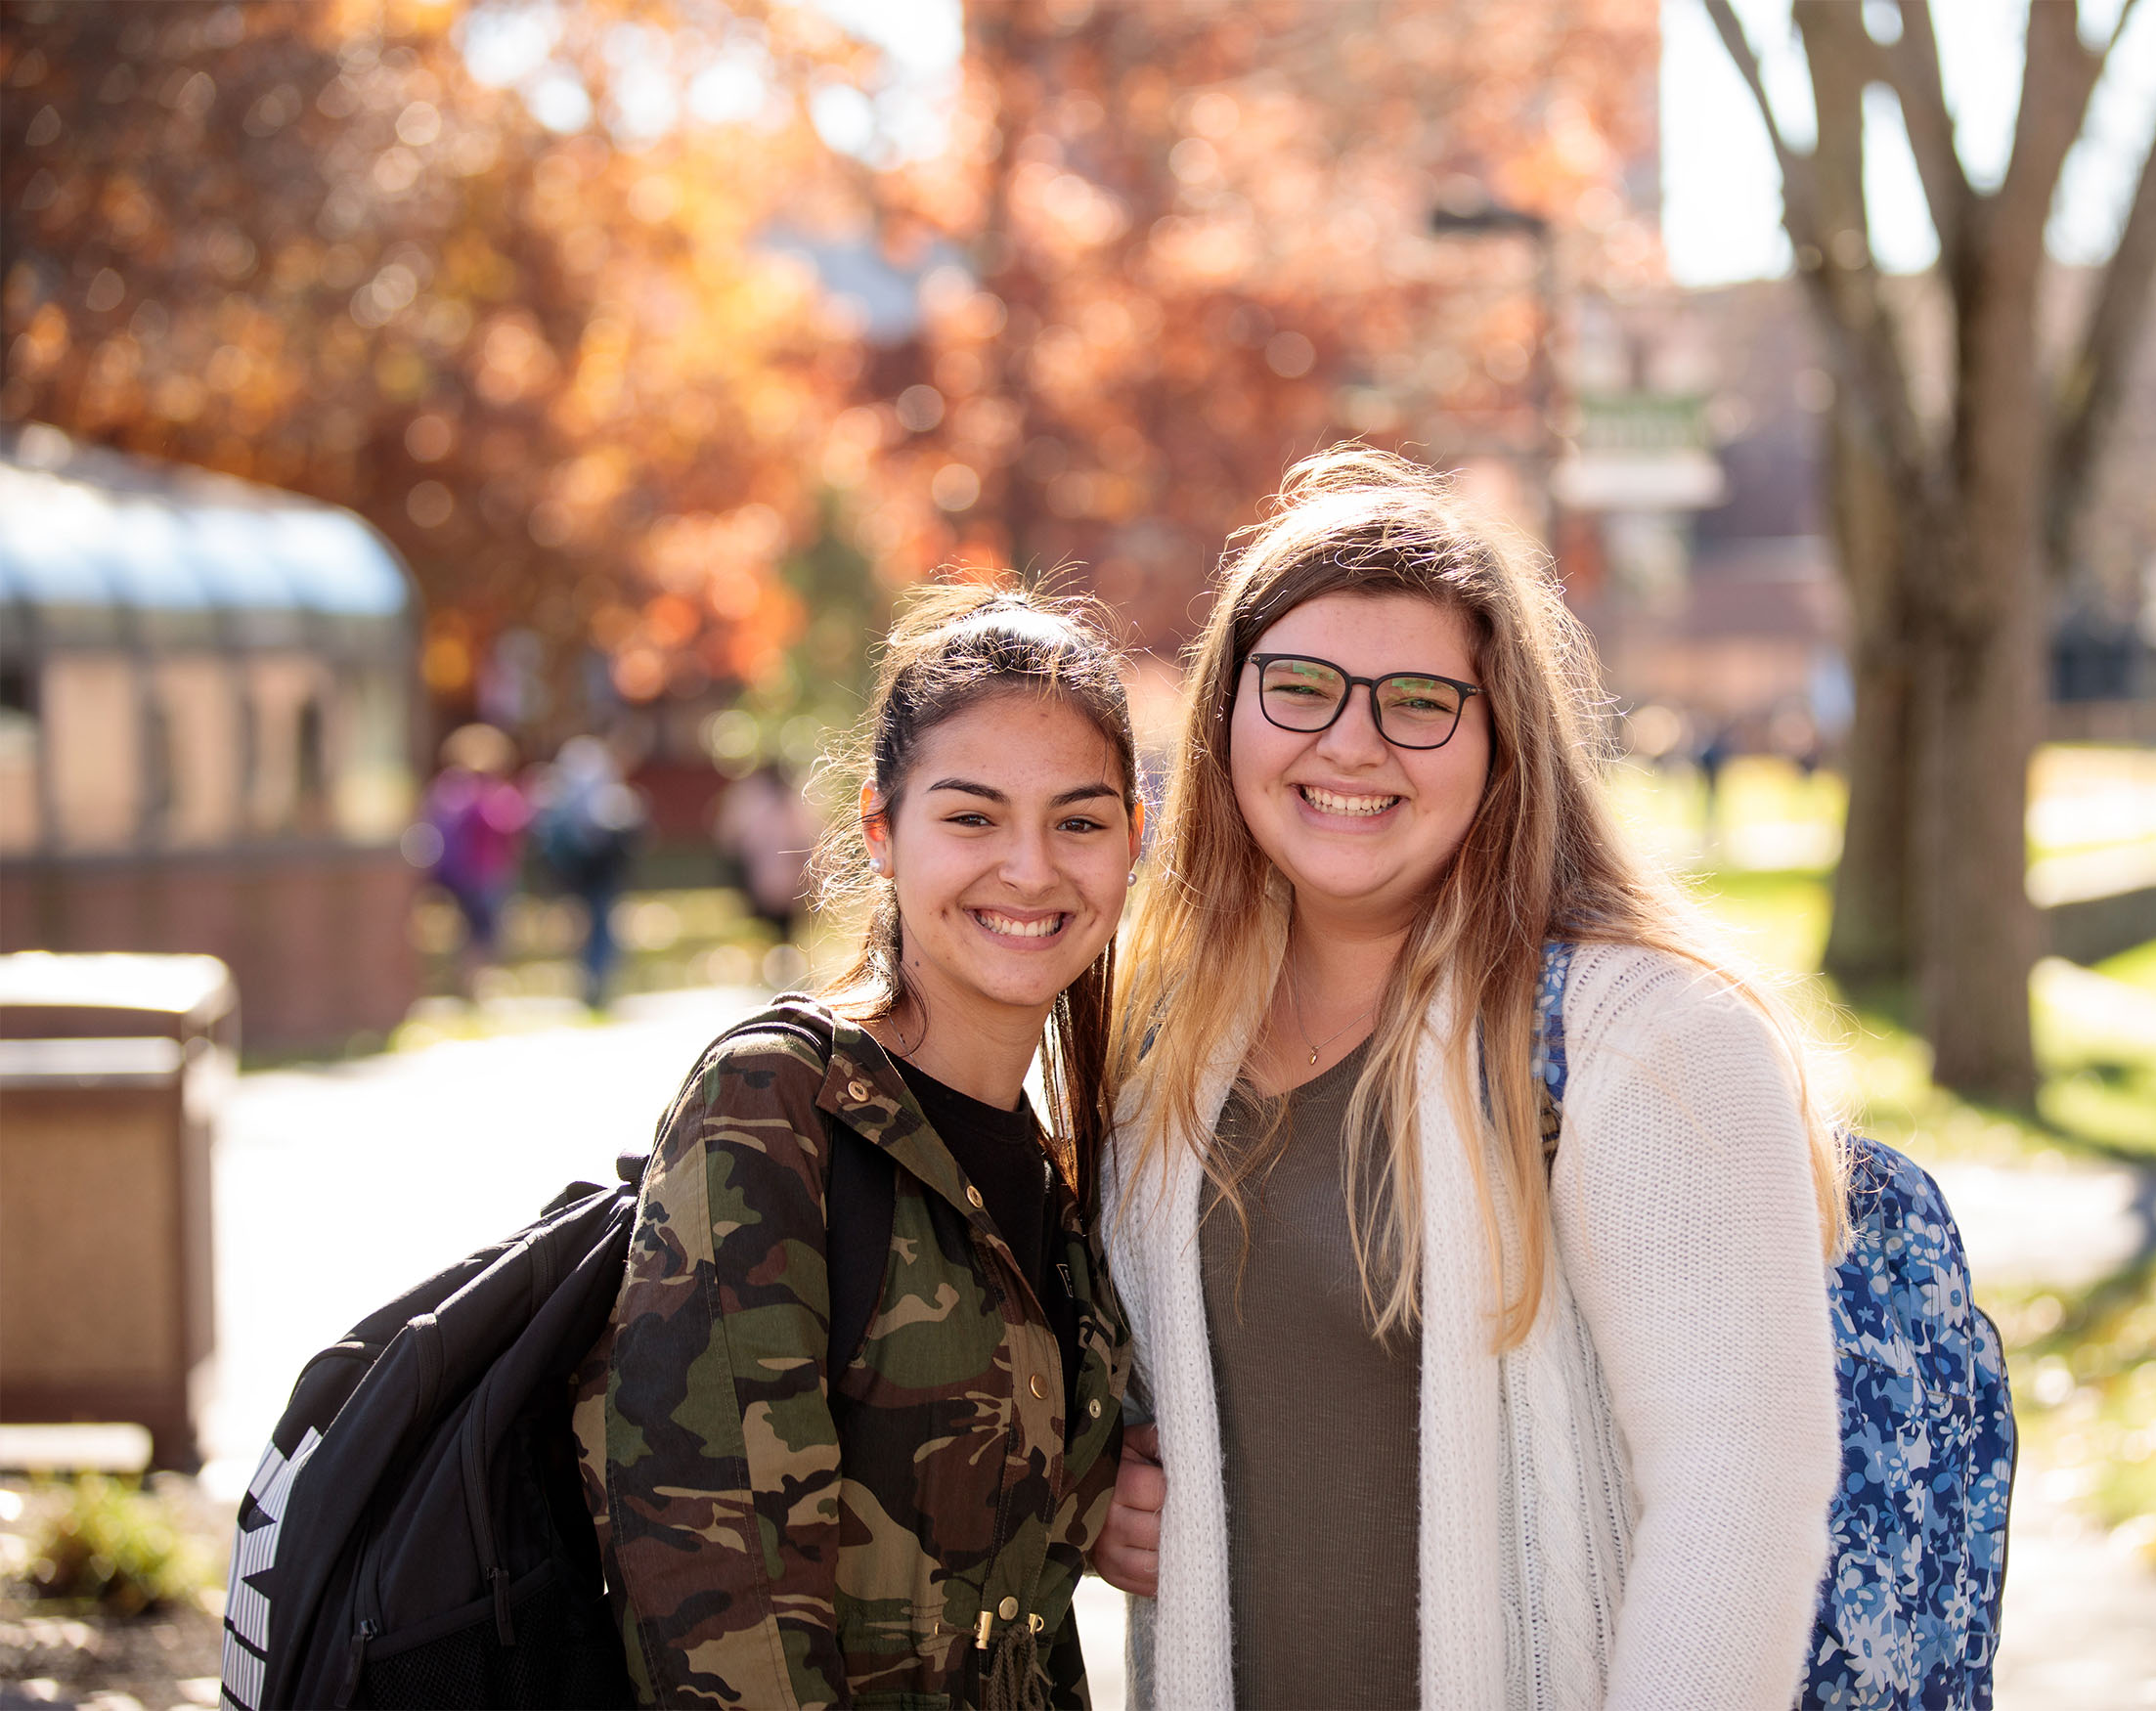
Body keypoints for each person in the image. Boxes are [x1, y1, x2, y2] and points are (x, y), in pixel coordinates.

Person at [1093, 447, 1845, 1709]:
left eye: (1418, 702)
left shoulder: (1643, 1038)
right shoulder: (1163, 1041)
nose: (1352, 741)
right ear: (1224, 712)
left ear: (1503, 741)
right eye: (1301, 687)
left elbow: (1742, 1497)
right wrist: (1098, 1491)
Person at [576, 587, 1144, 1709]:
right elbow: (713, 1601)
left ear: (1135, 839)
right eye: (972, 817)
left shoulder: (1062, 1166)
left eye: (1079, 820)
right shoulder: (779, 1104)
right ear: (883, 836)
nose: (1031, 869)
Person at [533, 735, 645, 1008]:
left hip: (574, 873)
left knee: (583, 925)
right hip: (599, 872)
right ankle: (597, 981)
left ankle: (589, 980)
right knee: (601, 925)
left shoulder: (558, 793)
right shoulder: (607, 792)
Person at [419, 723, 530, 996]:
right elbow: (507, 823)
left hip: (458, 874)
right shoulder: (486, 793)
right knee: (484, 933)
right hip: (485, 872)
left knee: (466, 932)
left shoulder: (445, 790)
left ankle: (464, 981)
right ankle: (476, 984)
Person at [714, 758, 821, 943]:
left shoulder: (778, 802)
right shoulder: (757, 800)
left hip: (782, 874)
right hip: (771, 872)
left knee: (783, 919)